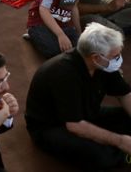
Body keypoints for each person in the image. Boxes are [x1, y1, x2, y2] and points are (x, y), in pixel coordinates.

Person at [26, 23, 131, 169]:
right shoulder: (64, 74)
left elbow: (124, 94)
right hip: (53, 126)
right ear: (95, 57)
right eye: (115, 56)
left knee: (126, 118)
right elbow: (75, 125)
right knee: (101, 157)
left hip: (85, 114)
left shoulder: (103, 65)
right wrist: (120, 141)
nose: (118, 59)